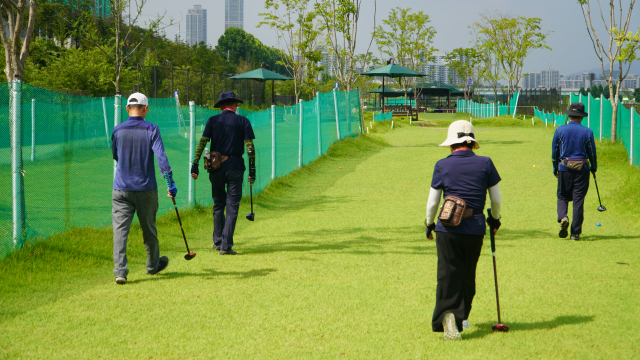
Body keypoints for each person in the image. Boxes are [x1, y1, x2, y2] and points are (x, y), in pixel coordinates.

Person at [424, 120, 502, 340]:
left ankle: (449, 317)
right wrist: (494, 221)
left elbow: (432, 203)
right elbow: (495, 200)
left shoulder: (442, 165)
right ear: (472, 142)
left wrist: (429, 224)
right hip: (475, 228)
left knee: (448, 274)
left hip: (446, 229)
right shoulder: (486, 163)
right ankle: (461, 317)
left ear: (452, 144)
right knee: (468, 274)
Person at [111, 92, 177, 285]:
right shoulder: (152, 129)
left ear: (127, 108)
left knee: (120, 231)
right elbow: (161, 159)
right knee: (149, 228)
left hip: (121, 188)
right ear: (146, 108)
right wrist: (170, 183)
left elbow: (116, 155)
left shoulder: (117, 130)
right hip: (146, 188)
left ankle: (120, 272)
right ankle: (152, 265)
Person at [190, 91, 256, 255]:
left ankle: (218, 241)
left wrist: (195, 164)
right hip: (235, 167)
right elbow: (250, 148)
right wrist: (252, 170)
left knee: (218, 203)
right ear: (235, 104)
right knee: (232, 206)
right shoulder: (243, 121)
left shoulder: (212, 120)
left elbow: (202, 143)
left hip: (216, 167)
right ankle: (226, 246)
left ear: (220, 106)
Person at [552, 102, 597, 241]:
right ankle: (575, 234)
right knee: (578, 200)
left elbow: (555, 152)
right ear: (582, 117)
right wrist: (593, 167)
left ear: (569, 115)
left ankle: (563, 218)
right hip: (582, 169)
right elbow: (592, 153)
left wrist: (555, 169)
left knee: (562, 196)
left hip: (564, 168)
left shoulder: (560, 130)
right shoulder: (588, 132)